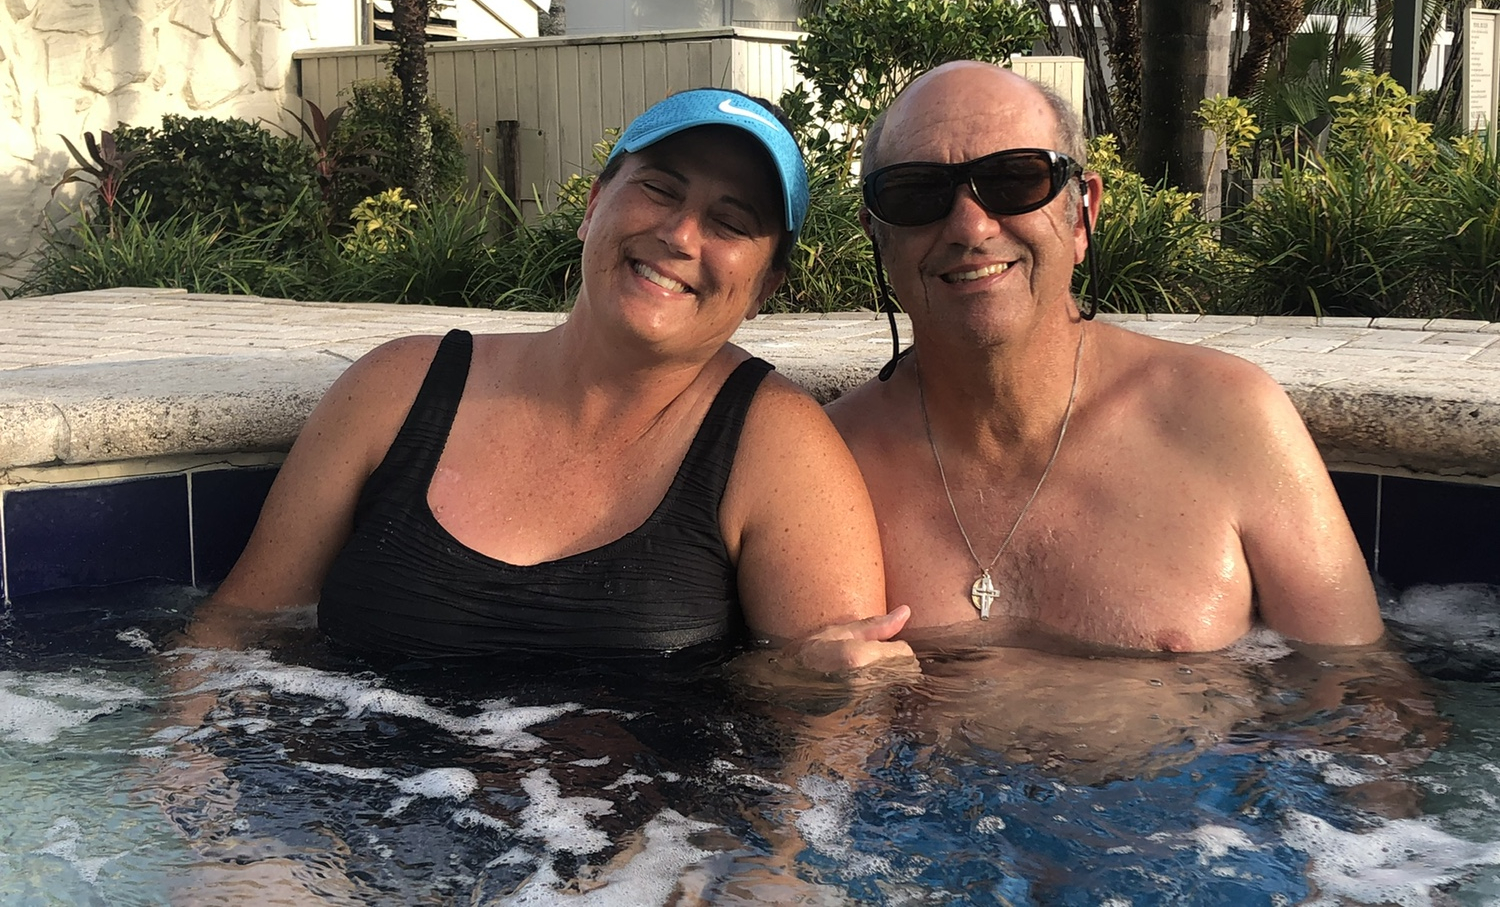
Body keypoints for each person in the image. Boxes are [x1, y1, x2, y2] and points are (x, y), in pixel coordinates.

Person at [204, 87, 909, 667]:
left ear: (766, 287)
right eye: (659, 189)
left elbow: (827, 733)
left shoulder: (781, 452)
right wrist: (192, 785)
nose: (680, 235)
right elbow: (235, 631)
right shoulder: (395, 389)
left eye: (730, 223)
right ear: (594, 204)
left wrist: (817, 681)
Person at [827, 60, 1385, 654]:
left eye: (1015, 179)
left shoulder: (1227, 418)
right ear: (876, 235)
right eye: (917, 193)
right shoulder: (827, 462)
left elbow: (1362, 692)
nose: (970, 227)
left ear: (1082, 215)